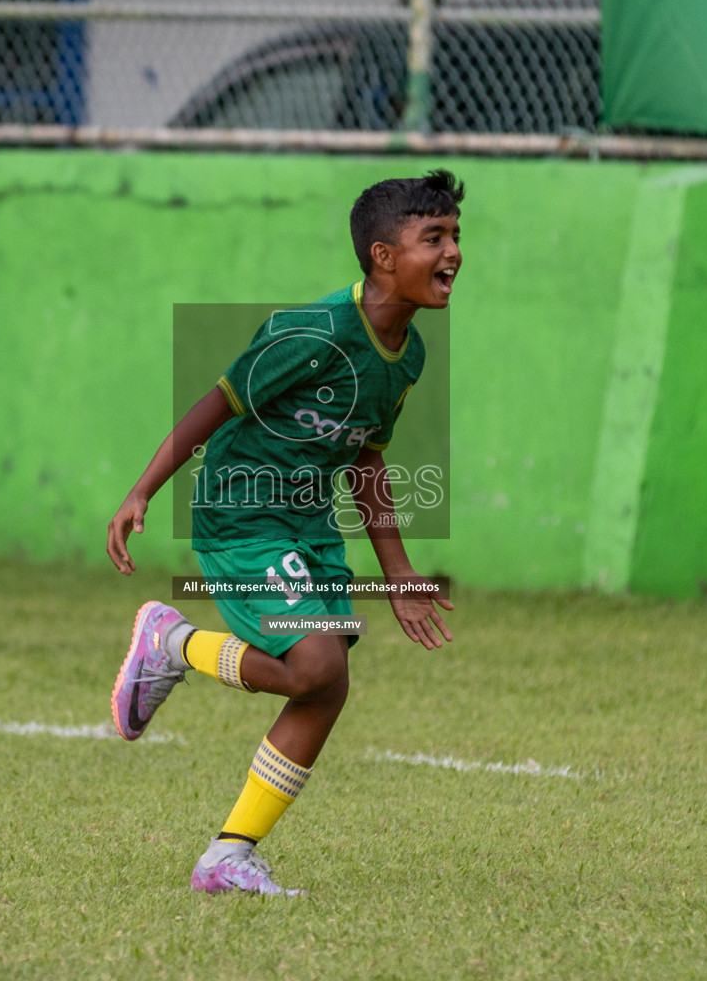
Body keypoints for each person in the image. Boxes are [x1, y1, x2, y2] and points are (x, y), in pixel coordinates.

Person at [105, 169, 463, 895]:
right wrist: (144, 490)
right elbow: (217, 403)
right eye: (435, 238)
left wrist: (400, 573)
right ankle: (170, 642)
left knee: (326, 686)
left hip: (308, 524)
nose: (454, 252)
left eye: (456, 236)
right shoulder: (310, 333)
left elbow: (365, 456)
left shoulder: (411, 356)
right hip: (242, 514)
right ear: (382, 256)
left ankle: (229, 853)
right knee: (315, 669)